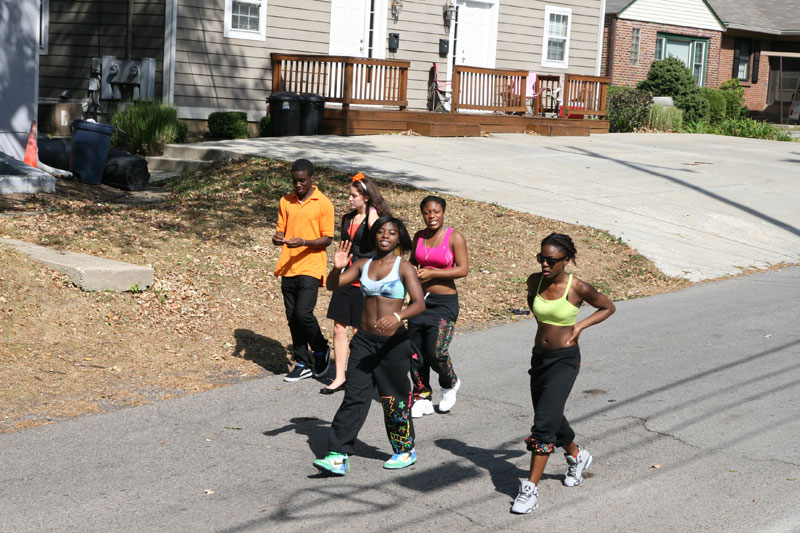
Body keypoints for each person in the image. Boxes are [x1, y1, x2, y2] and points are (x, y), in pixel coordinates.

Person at [511, 233, 616, 514]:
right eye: (541, 258)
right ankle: (578, 456)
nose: (544, 264)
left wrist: (579, 326)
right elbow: (535, 307)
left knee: (543, 424)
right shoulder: (535, 281)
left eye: (551, 260)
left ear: (566, 260)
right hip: (540, 357)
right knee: (551, 414)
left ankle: (530, 490)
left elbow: (608, 307)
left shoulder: (577, 287)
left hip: (564, 360)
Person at [313, 217, 426, 475]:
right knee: (354, 396)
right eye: (381, 232)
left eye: (392, 233)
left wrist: (398, 316)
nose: (385, 236)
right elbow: (332, 285)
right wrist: (337, 268)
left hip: (392, 344)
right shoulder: (363, 264)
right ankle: (338, 454)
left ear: (399, 239)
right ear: (374, 236)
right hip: (364, 341)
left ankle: (405, 450)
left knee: (393, 399)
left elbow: (419, 303)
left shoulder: (404, 267)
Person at [321, 173, 391, 395]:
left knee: (359, 330)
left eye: (354, 196)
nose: (350, 199)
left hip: (365, 279)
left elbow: (379, 239)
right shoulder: (347, 219)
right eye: (349, 195)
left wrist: (371, 211)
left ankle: (361, 376)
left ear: (366, 197)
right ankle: (339, 376)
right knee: (339, 327)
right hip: (345, 277)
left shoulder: (374, 218)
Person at [272, 159, 334, 382]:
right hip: (288, 265)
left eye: (302, 180)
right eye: (294, 181)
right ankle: (302, 362)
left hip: (311, 265)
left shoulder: (323, 203)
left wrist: (305, 242)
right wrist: (277, 238)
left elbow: (327, 238)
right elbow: (280, 230)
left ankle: (320, 348)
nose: (298, 185)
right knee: (292, 317)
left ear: (311, 179)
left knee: (303, 313)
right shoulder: (285, 201)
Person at [408, 196, 469, 417]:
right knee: (415, 354)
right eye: (427, 212)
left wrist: (433, 273)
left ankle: (450, 383)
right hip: (419, 301)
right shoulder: (419, 236)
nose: (431, 216)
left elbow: (463, 269)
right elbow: (412, 263)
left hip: (444, 303)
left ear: (443, 213)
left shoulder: (454, 237)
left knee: (437, 351)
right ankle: (422, 396)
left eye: (436, 212)